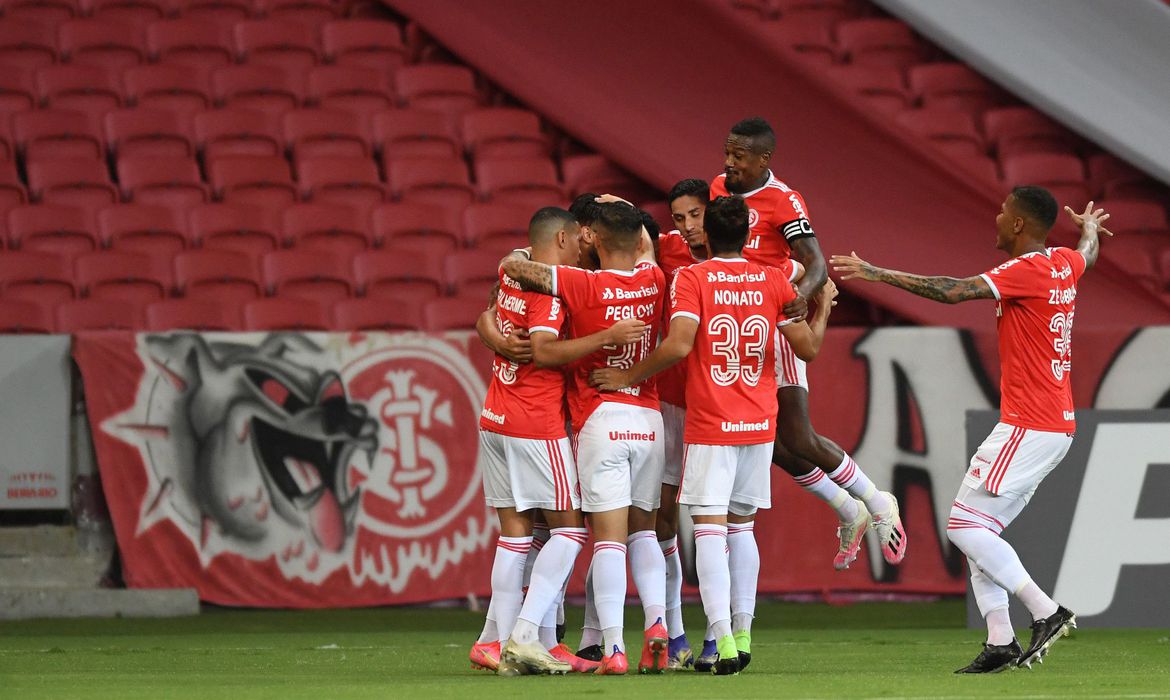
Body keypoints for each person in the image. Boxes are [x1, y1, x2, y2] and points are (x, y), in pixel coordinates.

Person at [830, 188, 1110, 673]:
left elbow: (953, 290)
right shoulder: (1064, 262)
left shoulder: (1023, 271)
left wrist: (878, 274)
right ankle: (1000, 640)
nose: (997, 219)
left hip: (1030, 422)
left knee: (963, 526)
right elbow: (1086, 254)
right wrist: (1087, 231)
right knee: (980, 529)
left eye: (1004, 213)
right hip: (1051, 423)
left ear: (1020, 225)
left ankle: (1046, 610)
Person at [591, 195, 837, 674]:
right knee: (742, 529)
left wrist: (628, 376)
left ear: (708, 232)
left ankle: (720, 640)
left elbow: (680, 343)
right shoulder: (771, 278)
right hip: (759, 423)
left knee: (708, 530)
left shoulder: (692, 278)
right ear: (748, 232)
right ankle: (744, 634)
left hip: (711, 424)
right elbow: (806, 348)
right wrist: (822, 307)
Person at [712, 117, 906, 572]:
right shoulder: (717, 188)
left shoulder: (783, 200)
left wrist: (800, 296)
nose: (729, 162)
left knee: (796, 435)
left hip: (773, 321)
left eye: (738, 155)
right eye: (727, 152)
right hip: (734, 326)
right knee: (766, 444)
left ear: (763, 159)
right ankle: (846, 508)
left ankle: (877, 501)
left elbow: (816, 263)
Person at [470, 207, 644, 676]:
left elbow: (489, 310)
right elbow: (545, 352)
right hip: (534, 421)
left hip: (494, 414)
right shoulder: (549, 288)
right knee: (569, 529)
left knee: (516, 536)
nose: (586, 245)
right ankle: (522, 637)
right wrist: (608, 335)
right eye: (580, 239)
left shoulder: (515, 263)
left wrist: (492, 333)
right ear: (565, 238)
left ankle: (495, 641)